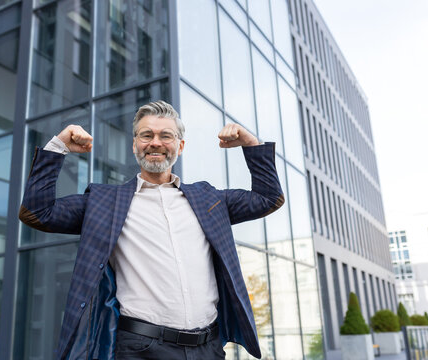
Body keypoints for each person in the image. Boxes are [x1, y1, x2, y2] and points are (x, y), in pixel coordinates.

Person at [19, 100, 285, 360]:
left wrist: (251, 144)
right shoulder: (104, 203)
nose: (155, 142)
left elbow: (268, 198)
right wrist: (58, 147)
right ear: (135, 145)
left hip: (208, 348)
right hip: (140, 348)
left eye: (165, 135)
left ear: (179, 146)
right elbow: (37, 213)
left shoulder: (210, 200)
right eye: (146, 135)